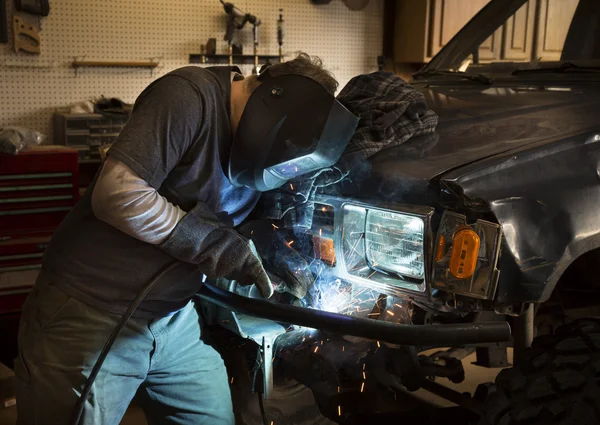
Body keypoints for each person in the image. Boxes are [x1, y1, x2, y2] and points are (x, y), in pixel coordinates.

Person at [13, 54, 349, 425]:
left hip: (172, 319)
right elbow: (118, 194)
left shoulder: (260, 153)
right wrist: (216, 246)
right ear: (271, 100)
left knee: (211, 416)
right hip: (90, 314)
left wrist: (282, 256)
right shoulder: (188, 96)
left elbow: (244, 223)